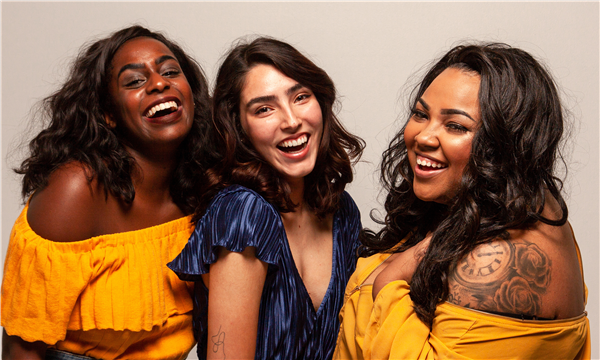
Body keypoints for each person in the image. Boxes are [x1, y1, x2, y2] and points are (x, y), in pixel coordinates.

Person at [333, 43, 590, 359]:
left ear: (503, 143)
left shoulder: (501, 263)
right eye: (420, 114)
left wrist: (393, 274)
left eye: (456, 125)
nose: (424, 137)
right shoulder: (490, 207)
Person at [0, 25, 211, 360]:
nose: (159, 83)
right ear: (108, 114)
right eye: (134, 81)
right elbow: (22, 348)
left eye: (171, 71)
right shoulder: (76, 191)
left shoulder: (206, 187)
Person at [168, 37, 364, 360]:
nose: (291, 121)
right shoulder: (241, 214)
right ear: (239, 127)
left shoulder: (341, 211)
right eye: (264, 109)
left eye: (300, 97)